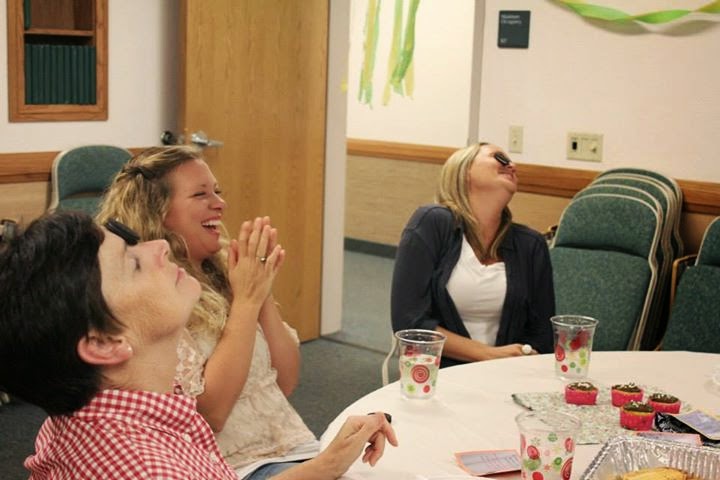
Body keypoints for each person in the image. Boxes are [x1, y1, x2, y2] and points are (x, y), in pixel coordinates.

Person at [0, 212, 397, 479]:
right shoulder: (148, 468)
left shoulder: (108, 410)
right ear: (104, 343)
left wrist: (327, 464)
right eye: (133, 263)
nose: (160, 246)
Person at [96, 146, 317, 478]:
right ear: (157, 212)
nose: (219, 203)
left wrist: (261, 290)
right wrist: (247, 302)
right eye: (200, 194)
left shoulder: (227, 269)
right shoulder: (154, 296)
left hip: (296, 446)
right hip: (230, 466)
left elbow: (285, 381)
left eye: (217, 191)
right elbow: (212, 414)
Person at [391, 142, 554, 368]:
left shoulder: (531, 244)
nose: (512, 166)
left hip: (508, 374)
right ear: (465, 170)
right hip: (439, 374)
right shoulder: (432, 222)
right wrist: (489, 355)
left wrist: (517, 361)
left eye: (512, 162)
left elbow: (542, 335)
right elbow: (409, 323)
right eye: (500, 158)